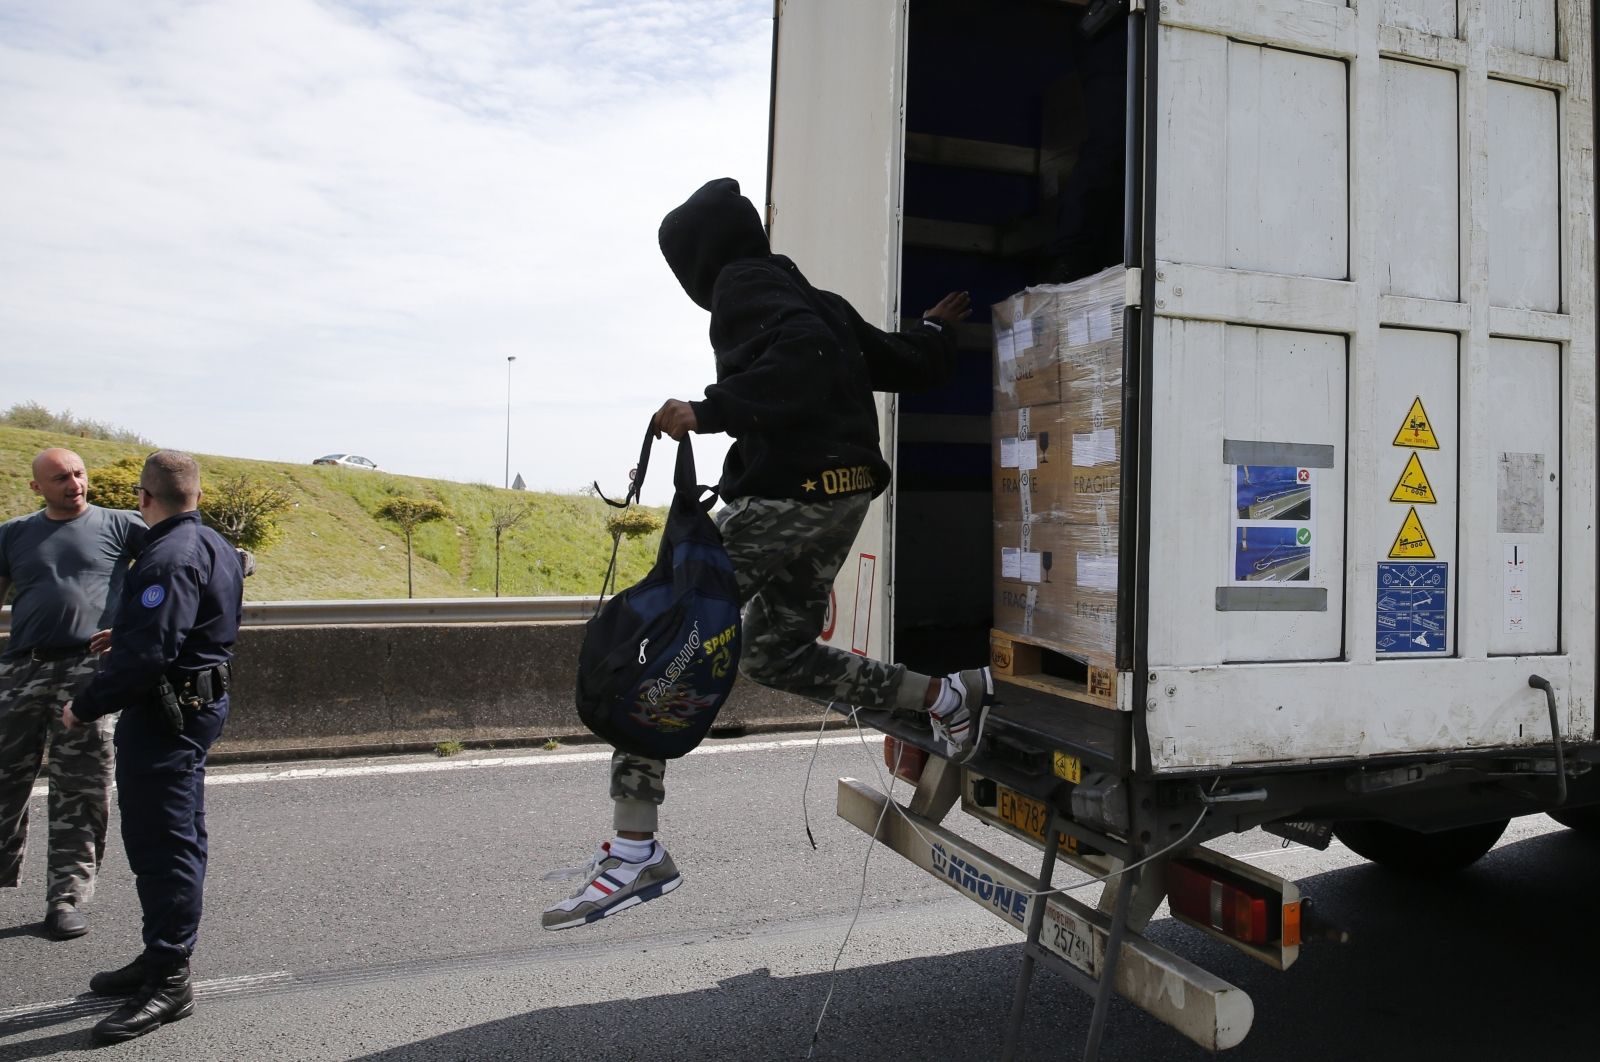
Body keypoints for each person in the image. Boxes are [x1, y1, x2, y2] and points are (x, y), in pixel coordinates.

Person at [543, 177, 992, 931]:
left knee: (658, 644)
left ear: (698, 262)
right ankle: (946, 697)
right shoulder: (807, 294)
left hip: (788, 496)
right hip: (842, 495)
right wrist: (936, 331)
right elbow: (894, 360)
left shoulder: (741, 287)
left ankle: (633, 849)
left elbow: (804, 362)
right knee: (774, 652)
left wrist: (711, 410)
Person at [61, 450, 243, 1044]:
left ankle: (170, 979)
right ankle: (161, 954)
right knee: (175, 836)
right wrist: (134, 629)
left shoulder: (166, 556)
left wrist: (83, 705)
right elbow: (189, 622)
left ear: (143, 498)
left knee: (162, 844)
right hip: (196, 706)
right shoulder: (211, 544)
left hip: (167, 717)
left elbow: (148, 657)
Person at [0, 448, 144, 940]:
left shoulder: (121, 525)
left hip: (87, 673)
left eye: (79, 474)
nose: (74, 484)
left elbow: (181, 550)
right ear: (37, 487)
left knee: (80, 790)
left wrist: (231, 559)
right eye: (61, 478)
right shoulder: (13, 533)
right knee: (4, 782)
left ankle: (65, 899)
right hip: (22, 670)